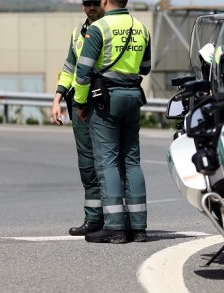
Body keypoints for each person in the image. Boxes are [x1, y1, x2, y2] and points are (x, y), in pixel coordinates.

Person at [72, 0, 151, 244]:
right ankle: (138, 228)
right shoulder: (141, 27)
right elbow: (145, 68)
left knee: (107, 163)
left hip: (107, 100)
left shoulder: (98, 29)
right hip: (132, 97)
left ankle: (115, 227)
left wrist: (81, 104)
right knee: (132, 161)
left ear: (106, 1)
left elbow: (83, 73)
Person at [50, 0, 106, 237]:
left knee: (109, 160)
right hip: (78, 103)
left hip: (103, 102)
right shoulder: (77, 34)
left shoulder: (109, 28)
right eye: (86, 4)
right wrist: (57, 97)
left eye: (95, 3)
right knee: (87, 161)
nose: (91, 8)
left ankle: (117, 219)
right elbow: (69, 67)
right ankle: (93, 218)